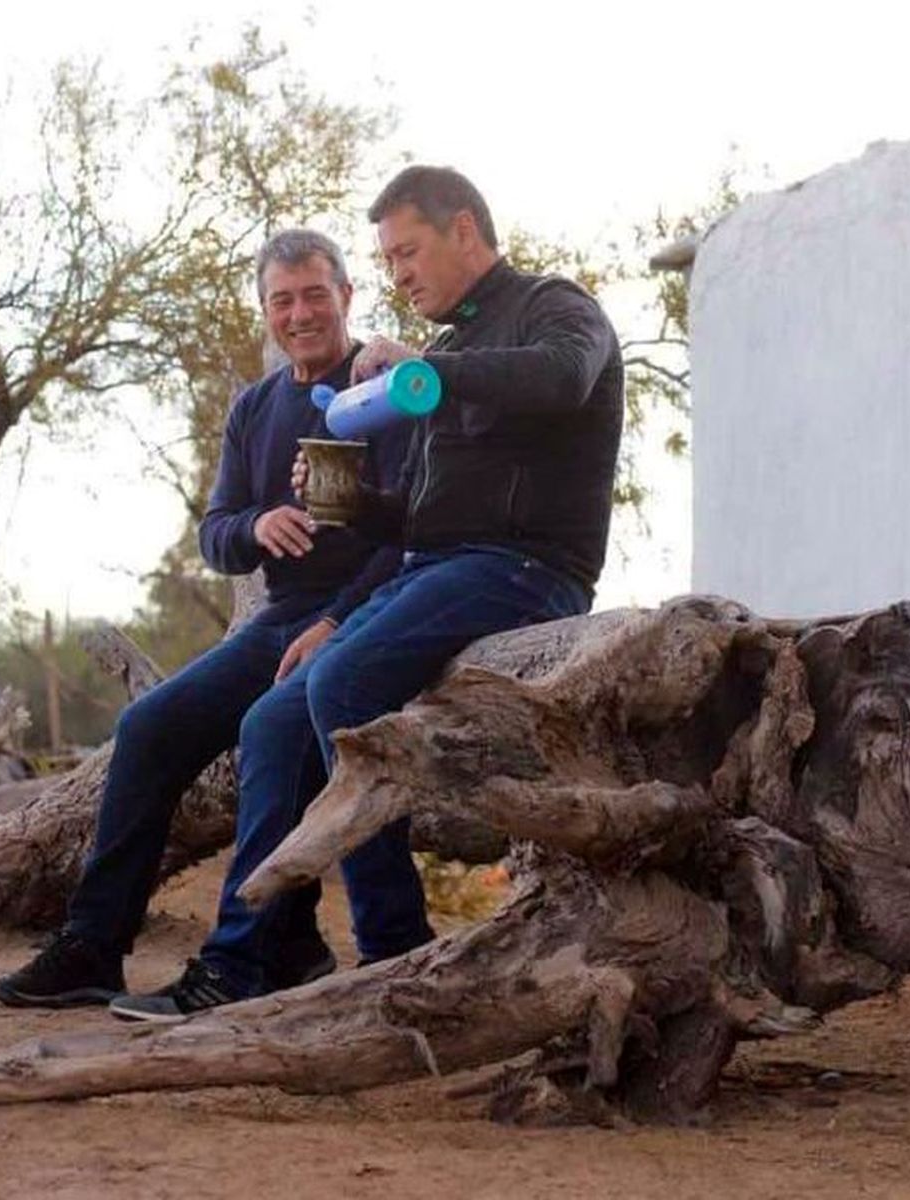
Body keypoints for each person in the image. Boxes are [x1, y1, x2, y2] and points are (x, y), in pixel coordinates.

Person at [112, 164, 624, 1021]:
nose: (400, 275)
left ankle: (394, 952)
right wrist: (337, 571)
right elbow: (416, 522)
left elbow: (564, 378)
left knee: (339, 684)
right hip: (437, 568)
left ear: (465, 230)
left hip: (526, 568)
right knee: (271, 718)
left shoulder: (553, 306)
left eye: (407, 252)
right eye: (388, 261)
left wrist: (428, 370)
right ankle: (244, 961)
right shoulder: (449, 351)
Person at [0, 228, 409, 1008]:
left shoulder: (386, 384)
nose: (299, 313)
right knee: (148, 727)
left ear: (348, 295)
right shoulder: (254, 408)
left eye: (315, 294)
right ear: (264, 311)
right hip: (280, 619)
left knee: (273, 735)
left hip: (372, 618)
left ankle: (256, 956)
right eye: (281, 300)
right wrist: (255, 528)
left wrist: (343, 619)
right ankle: (93, 945)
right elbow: (215, 533)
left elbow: (418, 534)